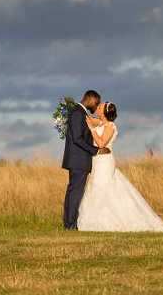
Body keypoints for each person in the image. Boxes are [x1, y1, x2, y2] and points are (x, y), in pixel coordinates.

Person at [77, 101, 163, 232]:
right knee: (95, 186)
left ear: (104, 112)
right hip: (97, 161)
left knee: (104, 186)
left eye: (100, 107)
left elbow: (101, 143)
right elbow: (87, 118)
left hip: (105, 161)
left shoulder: (110, 126)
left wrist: (91, 128)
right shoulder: (101, 123)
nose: (97, 108)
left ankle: (109, 220)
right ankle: (94, 219)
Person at [61, 90, 101, 230]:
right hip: (78, 160)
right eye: (96, 103)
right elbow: (78, 138)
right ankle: (70, 225)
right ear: (89, 99)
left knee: (73, 192)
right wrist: (95, 150)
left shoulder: (79, 112)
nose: (96, 107)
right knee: (75, 193)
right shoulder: (78, 113)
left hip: (77, 160)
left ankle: (69, 223)